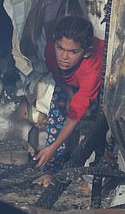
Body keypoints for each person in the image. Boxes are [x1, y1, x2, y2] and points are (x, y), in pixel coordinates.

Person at [33, 16, 104, 187]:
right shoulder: (51, 51)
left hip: (103, 82)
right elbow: (59, 75)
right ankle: (50, 170)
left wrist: (54, 146)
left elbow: (74, 116)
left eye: (73, 52)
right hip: (71, 83)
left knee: (96, 123)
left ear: (85, 52)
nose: (64, 56)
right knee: (57, 110)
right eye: (61, 48)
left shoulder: (92, 71)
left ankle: (91, 173)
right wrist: (68, 92)